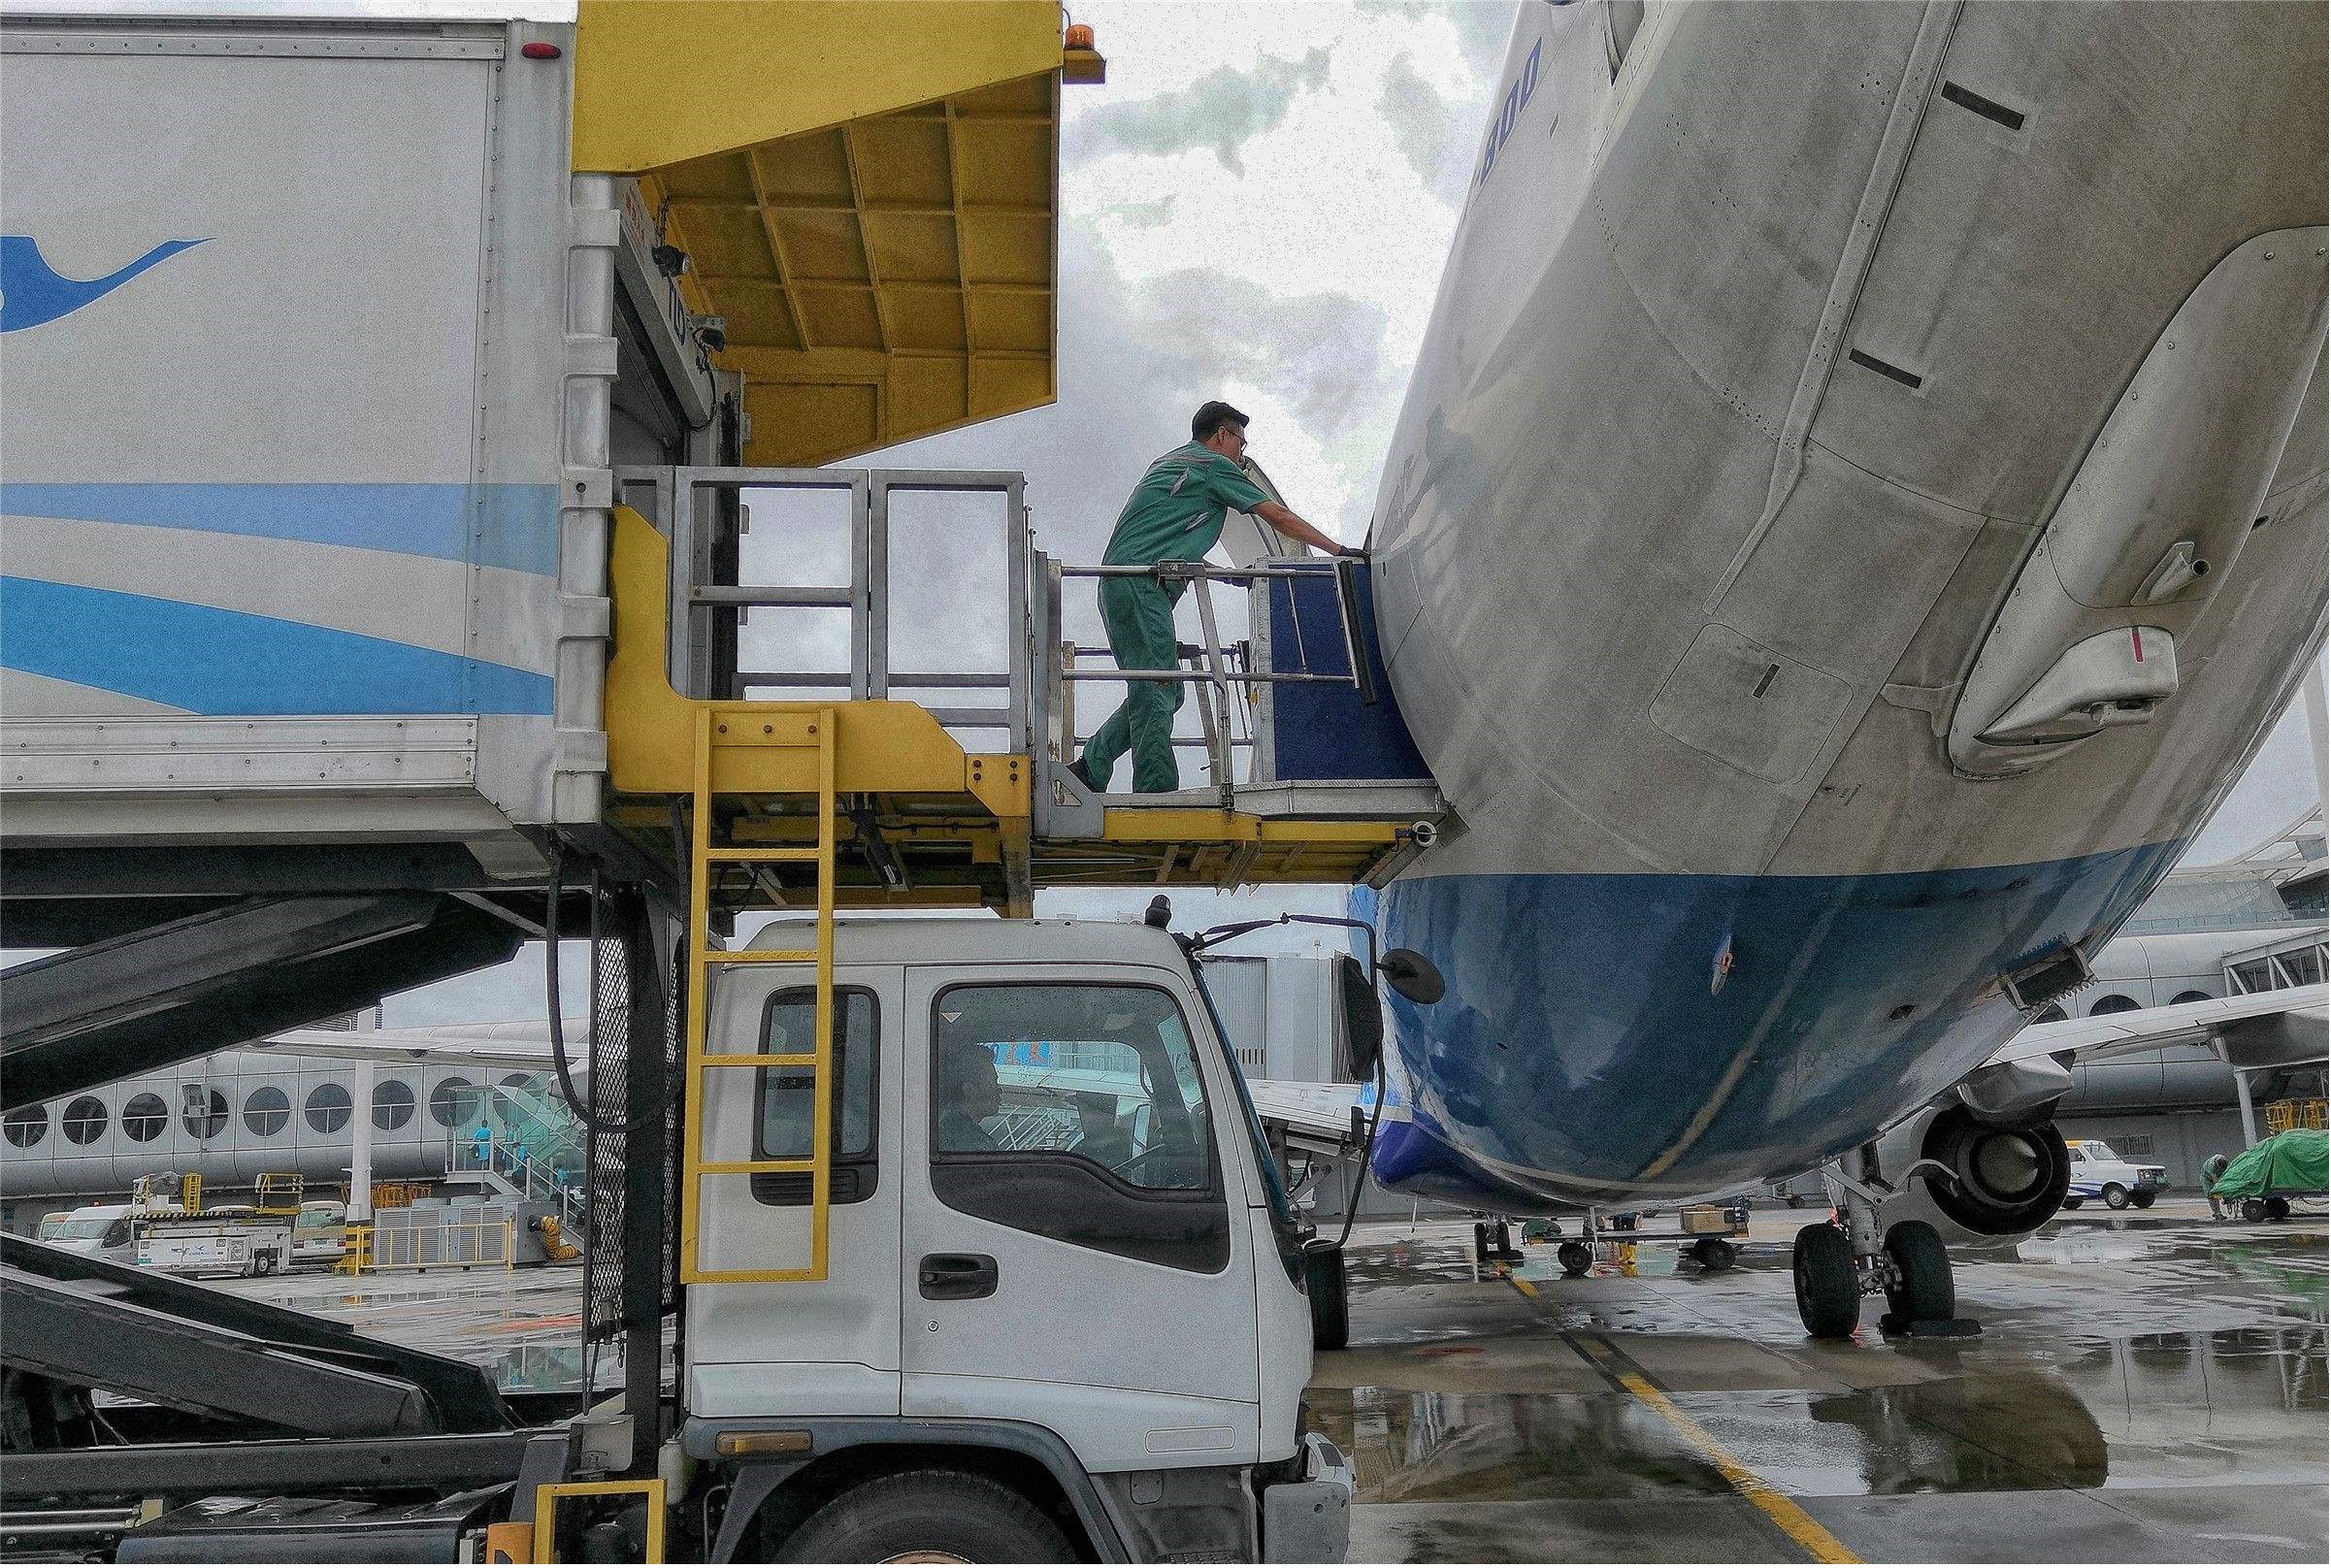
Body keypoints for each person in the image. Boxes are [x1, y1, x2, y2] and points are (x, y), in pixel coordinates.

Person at [1068, 402, 1360, 795]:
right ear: (1222, 435)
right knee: (1157, 689)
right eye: (1241, 442)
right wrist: (1338, 549)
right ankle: (1156, 793)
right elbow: (1278, 517)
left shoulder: (1172, 463)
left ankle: (1090, 766)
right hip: (1141, 586)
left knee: (1163, 689)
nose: (1243, 453)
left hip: (1122, 584)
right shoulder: (1212, 465)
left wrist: (1222, 575)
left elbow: (1165, 533)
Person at [936, 1036, 1003, 1153]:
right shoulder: (977, 1144)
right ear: (969, 1090)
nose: (999, 1090)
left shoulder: (943, 1122)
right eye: (992, 1084)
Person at [2202, 1151, 2231, 1220]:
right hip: (2207, 1179)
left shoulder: (2224, 1160)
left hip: (2219, 1176)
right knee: (2212, 1195)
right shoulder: (2211, 1166)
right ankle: (2217, 1213)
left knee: (2221, 1191)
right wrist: (2220, 1188)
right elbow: (2215, 1181)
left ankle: (2224, 1199)